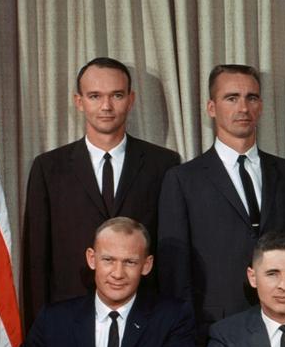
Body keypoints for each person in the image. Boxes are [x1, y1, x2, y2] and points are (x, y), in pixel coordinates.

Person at [20, 57, 181, 331]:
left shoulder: (163, 164)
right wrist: (38, 330)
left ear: (131, 100)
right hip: (68, 318)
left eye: (116, 95)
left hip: (145, 320)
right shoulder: (49, 167)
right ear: (79, 101)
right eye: (95, 96)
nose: (106, 106)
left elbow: (171, 251)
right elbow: (36, 259)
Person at [158, 64, 285, 328]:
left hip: (284, 321)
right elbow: (175, 270)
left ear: (261, 106)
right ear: (211, 107)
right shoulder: (183, 179)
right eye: (231, 98)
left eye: (251, 98)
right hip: (213, 327)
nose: (243, 108)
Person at [0, 218, 195, 347]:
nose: (118, 273)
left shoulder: (172, 316)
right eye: (108, 260)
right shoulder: (55, 319)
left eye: (130, 262)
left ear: (146, 265)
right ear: (91, 259)